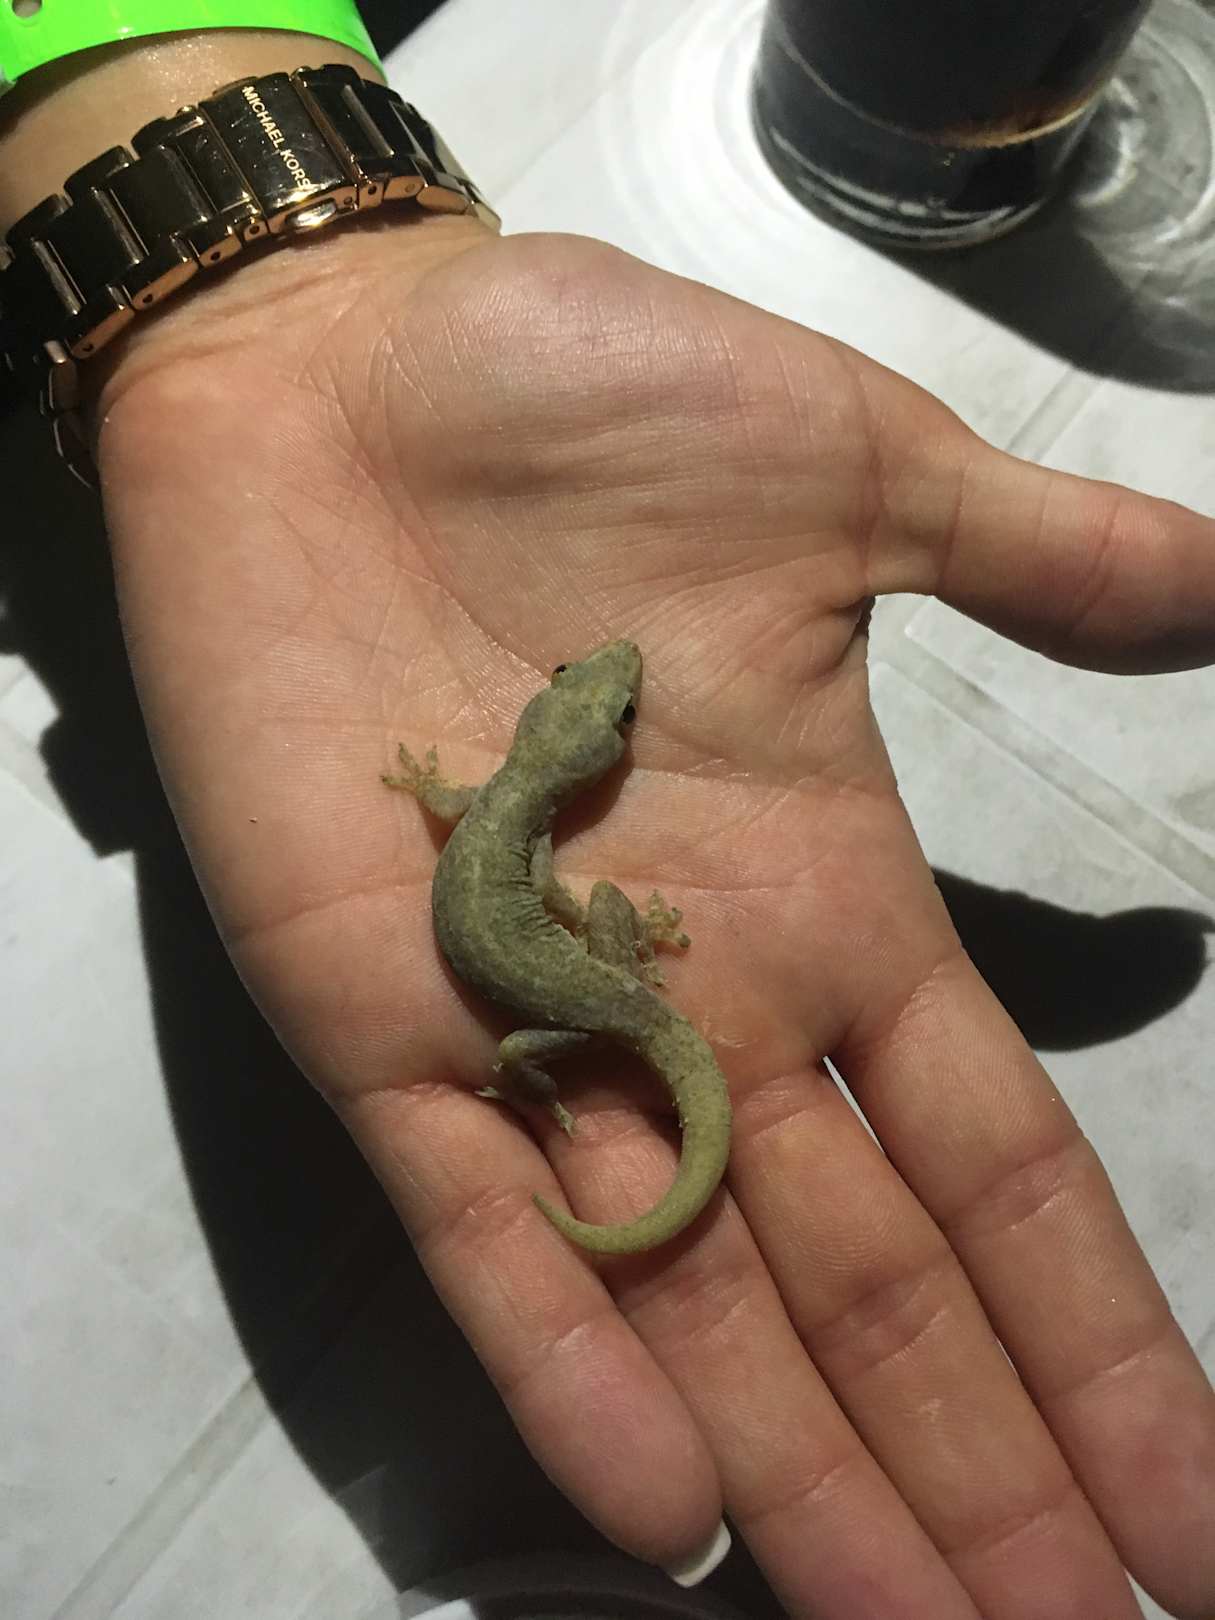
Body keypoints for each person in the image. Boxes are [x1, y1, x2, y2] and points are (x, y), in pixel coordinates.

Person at [2, 24, 1212, 1620]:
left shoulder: (498, 806)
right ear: (569, 752)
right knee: (553, 1050)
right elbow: (522, 870)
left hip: (575, 994)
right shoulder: (517, 833)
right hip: (568, 1005)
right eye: (601, 701)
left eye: (603, 700)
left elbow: (476, 824)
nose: (606, 692)